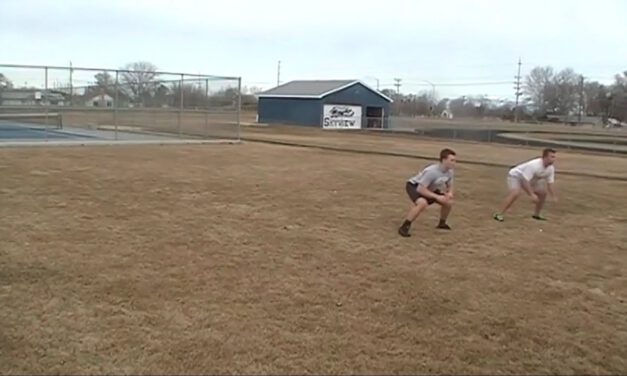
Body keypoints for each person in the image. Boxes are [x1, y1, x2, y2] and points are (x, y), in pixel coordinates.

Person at [398, 148, 456, 237]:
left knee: (448, 202)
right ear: (444, 160)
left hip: (429, 189)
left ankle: (442, 223)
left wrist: (450, 193)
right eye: (452, 160)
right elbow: (420, 189)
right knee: (422, 203)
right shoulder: (432, 172)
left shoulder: (450, 172)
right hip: (415, 186)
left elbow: (450, 185)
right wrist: (437, 197)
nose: (454, 163)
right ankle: (404, 226)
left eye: (454, 160)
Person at [493, 148, 558, 222]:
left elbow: (550, 183)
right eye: (551, 157)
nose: (554, 159)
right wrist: (532, 195)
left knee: (543, 193)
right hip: (516, 176)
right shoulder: (534, 165)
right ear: (545, 157)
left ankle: (537, 214)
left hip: (529, 179)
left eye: (554, 157)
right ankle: (499, 214)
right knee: (515, 192)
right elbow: (524, 180)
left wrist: (553, 196)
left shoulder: (550, 169)